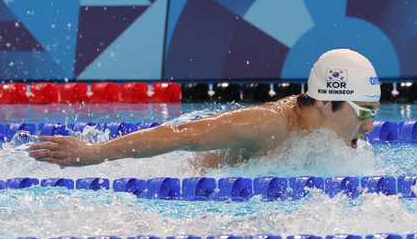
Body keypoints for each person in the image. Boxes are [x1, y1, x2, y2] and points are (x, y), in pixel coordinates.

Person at [29, 48, 381, 167]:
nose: (369, 126)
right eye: (364, 112)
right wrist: (96, 152)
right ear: (324, 100)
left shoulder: (329, 137)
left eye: (374, 113)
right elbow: (185, 134)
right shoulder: (271, 124)